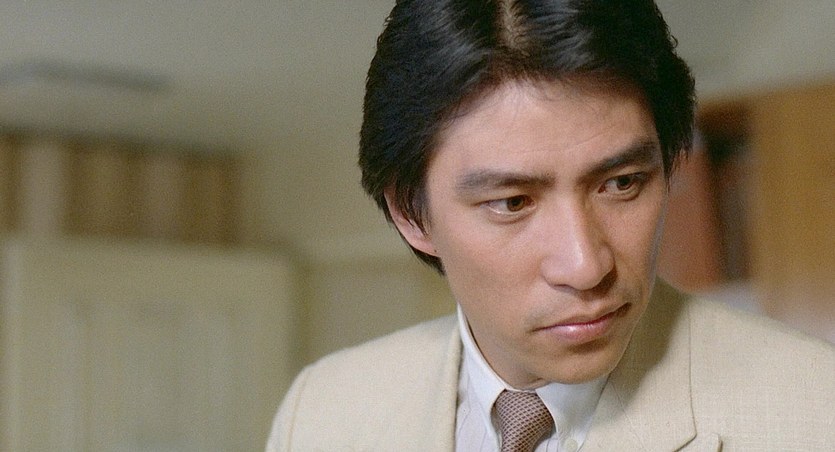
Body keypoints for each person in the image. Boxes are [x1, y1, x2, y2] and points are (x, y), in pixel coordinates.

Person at [267, 0, 835, 450]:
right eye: (513, 202)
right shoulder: (321, 412)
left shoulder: (815, 410)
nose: (585, 266)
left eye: (622, 183)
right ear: (412, 215)